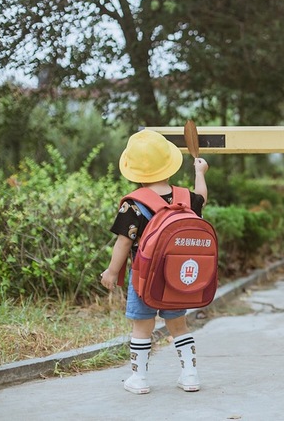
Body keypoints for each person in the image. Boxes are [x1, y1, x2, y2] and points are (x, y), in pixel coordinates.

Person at [101, 129, 209, 394]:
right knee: (178, 325)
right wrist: (199, 173)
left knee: (143, 326)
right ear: (169, 166)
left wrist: (111, 272)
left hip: (145, 275)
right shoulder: (186, 199)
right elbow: (202, 198)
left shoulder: (133, 206)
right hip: (178, 276)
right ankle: (190, 374)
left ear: (134, 173)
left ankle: (139, 379)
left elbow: (124, 243)